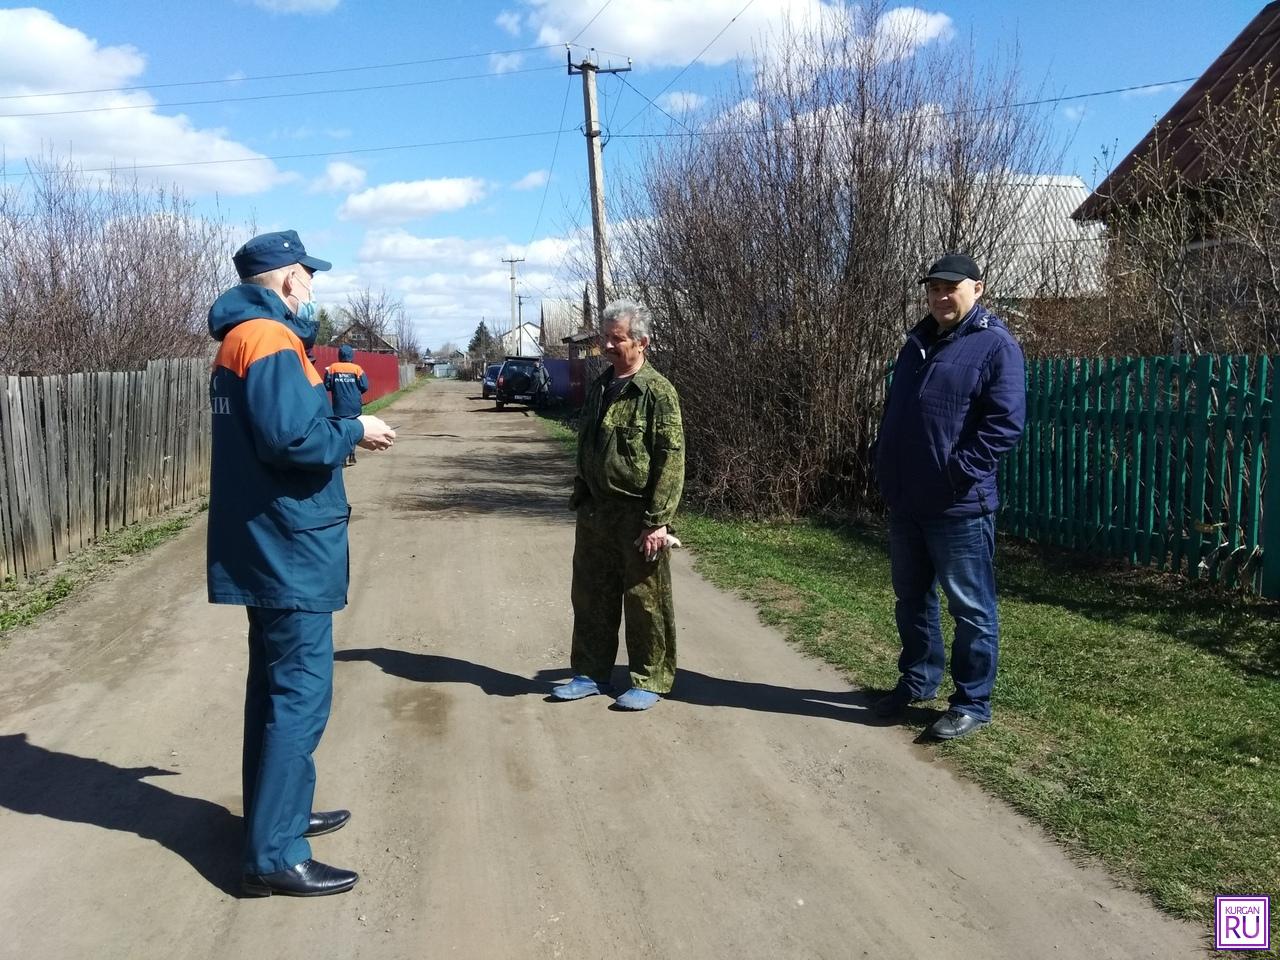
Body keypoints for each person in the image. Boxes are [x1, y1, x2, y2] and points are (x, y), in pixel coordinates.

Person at [206, 229, 396, 896]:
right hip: (290, 549)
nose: (312, 284)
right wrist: (356, 429)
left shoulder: (245, 339)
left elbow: (285, 428)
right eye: (307, 275)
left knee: (273, 690)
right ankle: (274, 853)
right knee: (299, 699)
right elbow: (293, 440)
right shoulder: (270, 340)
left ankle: (274, 818)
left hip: (264, 544)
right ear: (287, 280)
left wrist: (338, 405)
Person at [873, 253, 1026, 740]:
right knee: (912, 599)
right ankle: (917, 682)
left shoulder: (994, 346)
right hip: (907, 501)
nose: (941, 297)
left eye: (951, 288)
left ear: (977, 289)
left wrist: (957, 474)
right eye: (934, 288)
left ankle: (972, 703)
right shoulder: (916, 343)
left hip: (958, 505)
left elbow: (1004, 425)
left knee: (971, 609)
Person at [551, 300, 685, 711]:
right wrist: (581, 488)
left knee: (645, 601)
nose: (607, 345)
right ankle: (590, 673)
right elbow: (588, 446)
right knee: (591, 595)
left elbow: (671, 458)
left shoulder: (656, 392)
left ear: (642, 342)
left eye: (617, 338)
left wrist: (658, 521)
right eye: (604, 337)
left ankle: (650, 678)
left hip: (636, 515)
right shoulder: (600, 385)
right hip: (595, 511)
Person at [323, 344, 369, 466]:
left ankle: (342, 459)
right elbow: (365, 386)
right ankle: (352, 455)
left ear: (339, 355)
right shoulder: (357, 369)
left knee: (341, 430)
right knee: (352, 429)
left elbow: (327, 386)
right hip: (354, 405)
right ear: (351, 356)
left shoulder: (332, 368)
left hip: (339, 406)